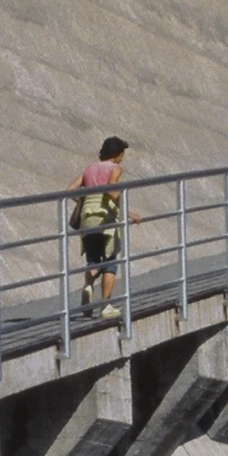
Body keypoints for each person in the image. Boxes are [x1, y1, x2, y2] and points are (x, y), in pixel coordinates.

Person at [68, 136, 141, 320]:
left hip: (87, 218)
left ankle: (88, 287)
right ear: (117, 154)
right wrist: (128, 212)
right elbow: (111, 189)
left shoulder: (89, 168)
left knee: (93, 260)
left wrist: (85, 201)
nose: (123, 158)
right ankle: (105, 305)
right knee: (110, 262)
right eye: (122, 154)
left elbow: (70, 190)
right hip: (105, 219)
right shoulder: (115, 168)